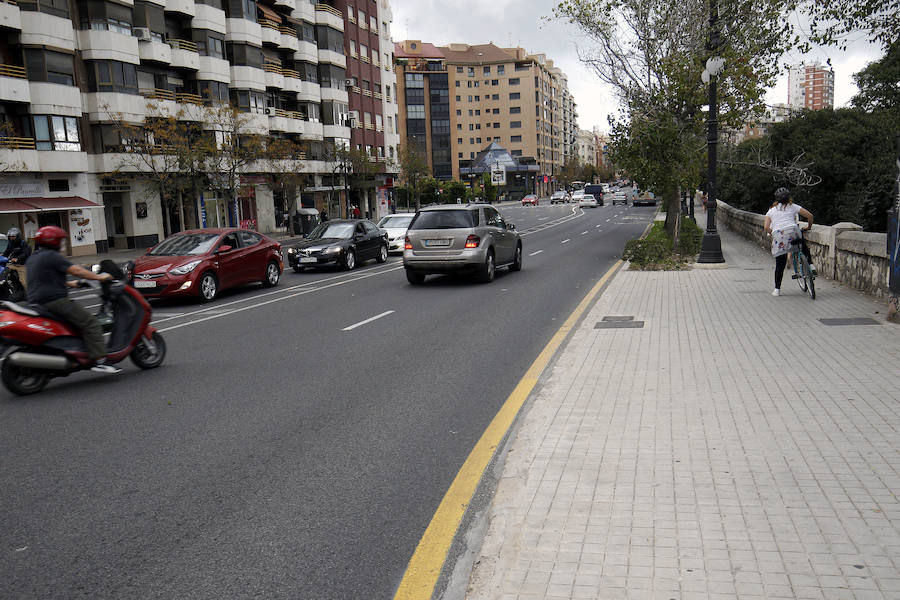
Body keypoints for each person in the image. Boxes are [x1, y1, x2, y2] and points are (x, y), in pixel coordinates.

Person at [26, 225, 121, 373]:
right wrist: (99, 277)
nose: (63, 244)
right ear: (54, 241)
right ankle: (100, 360)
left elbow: (44, 278)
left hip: (36, 302)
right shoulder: (53, 256)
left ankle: (77, 353)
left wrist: (70, 283)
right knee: (91, 323)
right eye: (61, 240)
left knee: (74, 325)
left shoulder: (34, 257)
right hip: (55, 301)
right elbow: (76, 271)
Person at [764, 187, 815, 297]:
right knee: (802, 245)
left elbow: (766, 227)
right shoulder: (793, 207)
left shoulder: (771, 211)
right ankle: (811, 265)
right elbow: (810, 216)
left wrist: (774, 233)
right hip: (793, 231)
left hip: (780, 235)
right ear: (789, 198)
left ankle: (777, 289)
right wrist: (808, 227)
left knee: (780, 263)